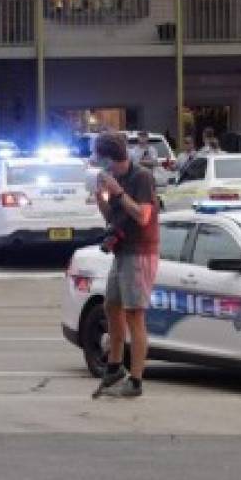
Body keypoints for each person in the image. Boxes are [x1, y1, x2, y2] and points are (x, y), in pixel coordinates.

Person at [91, 131, 159, 400]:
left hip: (139, 252)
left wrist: (118, 193)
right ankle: (114, 366)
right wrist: (101, 199)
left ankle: (137, 378)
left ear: (110, 159)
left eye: (101, 159)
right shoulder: (114, 178)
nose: (99, 164)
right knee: (111, 306)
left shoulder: (141, 177)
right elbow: (113, 218)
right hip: (121, 250)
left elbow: (143, 216)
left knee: (134, 315)